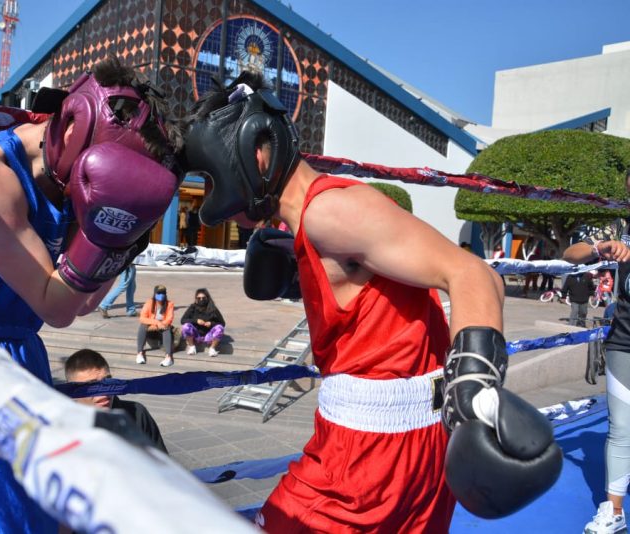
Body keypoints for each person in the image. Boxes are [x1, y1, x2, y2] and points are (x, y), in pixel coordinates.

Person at [182, 72, 561, 532]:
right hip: (406, 445)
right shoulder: (307, 224)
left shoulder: (330, 212)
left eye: (211, 171)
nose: (214, 193)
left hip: (365, 459)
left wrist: (473, 393)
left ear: (252, 150)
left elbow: (471, 273)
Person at [0, 57, 181, 533]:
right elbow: (55, 307)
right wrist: (111, 238)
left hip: (22, 358)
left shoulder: (67, 183)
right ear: (74, 125)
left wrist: (126, 239)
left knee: (38, 516)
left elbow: (79, 304)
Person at [564, 207, 630, 534]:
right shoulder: (619, 226)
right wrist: (599, 249)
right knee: (620, 428)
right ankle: (615, 511)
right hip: (624, 342)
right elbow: (570, 253)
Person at [64, 349, 167, 453]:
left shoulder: (136, 414)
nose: (103, 395)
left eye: (107, 382)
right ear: (72, 391)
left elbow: (162, 465)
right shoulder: (58, 426)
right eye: (92, 387)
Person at [137, 284, 175, 367]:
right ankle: (139, 353)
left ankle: (168, 357)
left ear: (165, 294)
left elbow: (169, 319)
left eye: (163, 293)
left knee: (167, 327)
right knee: (143, 325)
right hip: (151, 327)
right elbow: (142, 318)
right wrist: (156, 323)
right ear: (154, 294)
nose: (161, 295)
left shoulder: (170, 304)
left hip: (162, 328)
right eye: (158, 293)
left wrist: (160, 325)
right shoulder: (149, 302)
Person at [180, 288, 225, 357]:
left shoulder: (213, 308)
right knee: (186, 326)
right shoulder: (193, 307)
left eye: (203, 298)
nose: (201, 300)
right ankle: (192, 347)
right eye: (199, 298)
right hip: (196, 335)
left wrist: (211, 324)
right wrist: (196, 321)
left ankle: (212, 348)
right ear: (196, 298)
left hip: (208, 336)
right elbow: (183, 320)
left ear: (207, 298)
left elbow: (222, 323)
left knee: (220, 328)